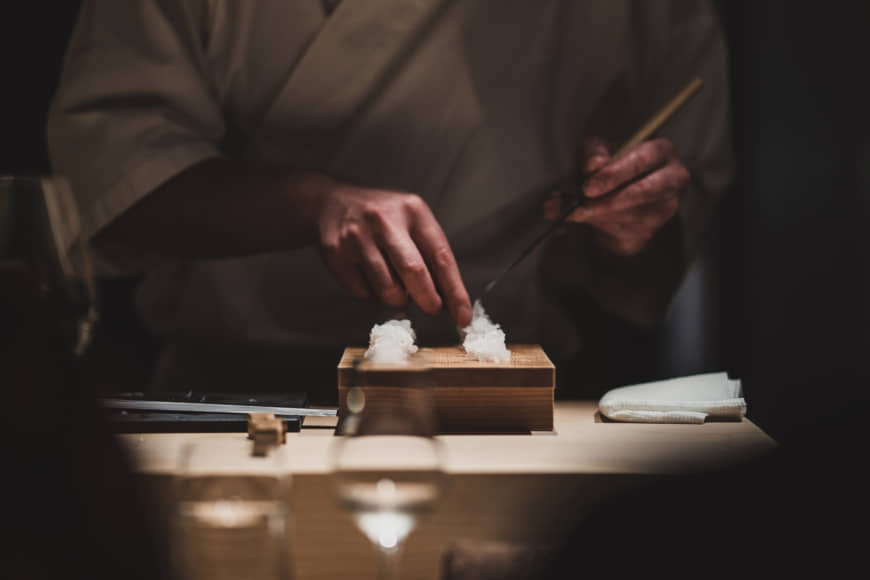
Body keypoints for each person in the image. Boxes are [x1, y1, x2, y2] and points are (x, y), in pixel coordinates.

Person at [46, 0, 733, 402]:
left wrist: (629, 222)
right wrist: (307, 204)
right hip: (231, 393)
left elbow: (649, 266)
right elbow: (111, 177)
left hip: (509, 405)